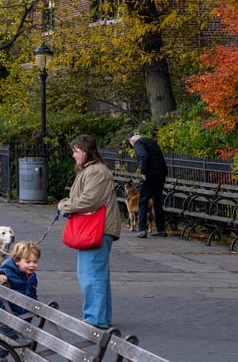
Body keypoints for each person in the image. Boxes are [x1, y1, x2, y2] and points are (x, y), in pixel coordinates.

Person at [57, 134, 121, 329]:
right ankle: (100, 316)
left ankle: (94, 318)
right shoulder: (94, 171)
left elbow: (89, 201)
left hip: (97, 229)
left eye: (76, 151)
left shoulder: (97, 172)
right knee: (96, 273)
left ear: (85, 152)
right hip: (97, 228)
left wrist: (65, 205)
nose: (74, 156)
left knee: (91, 273)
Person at [0, 240, 41, 362]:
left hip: (24, 316)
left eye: (35, 262)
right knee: (23, 341)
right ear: (17, 261)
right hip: (7, 315)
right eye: (28, 262)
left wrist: (39, 310)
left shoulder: (32, 276)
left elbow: (33, 294)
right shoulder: (8, 271)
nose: (32, 265)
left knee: (9, 339)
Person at [128, 130, 168, 238]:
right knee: (157, 200)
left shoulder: (138, 143)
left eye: (131, 144)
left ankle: (142, 230)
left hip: (151, 174)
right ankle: (161, 230)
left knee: (143, 200)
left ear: (132, 140)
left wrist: (143, 172)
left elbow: (144, 156)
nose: (132, 146)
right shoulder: (150, 141)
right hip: (161, 172)